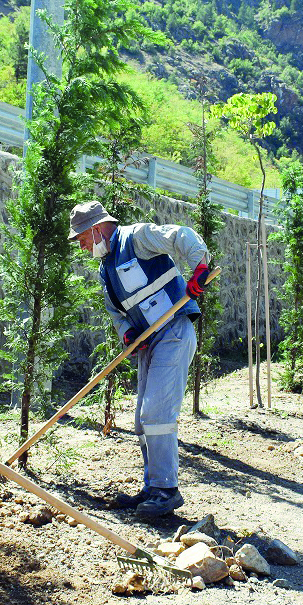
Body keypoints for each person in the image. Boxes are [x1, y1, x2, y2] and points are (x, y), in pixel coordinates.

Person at [70, 200, 212, 518]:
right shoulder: (106, 270)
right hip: (149, 343)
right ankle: (153, 487)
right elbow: (116, 313)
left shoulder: (137, 237)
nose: (81, 246)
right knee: (142, 420)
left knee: (157, 414)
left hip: (173, 332)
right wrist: (127, 334)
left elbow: (181, 235)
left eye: (81, 238)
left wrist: (199, 266)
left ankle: (166, 491)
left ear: (95, 230)